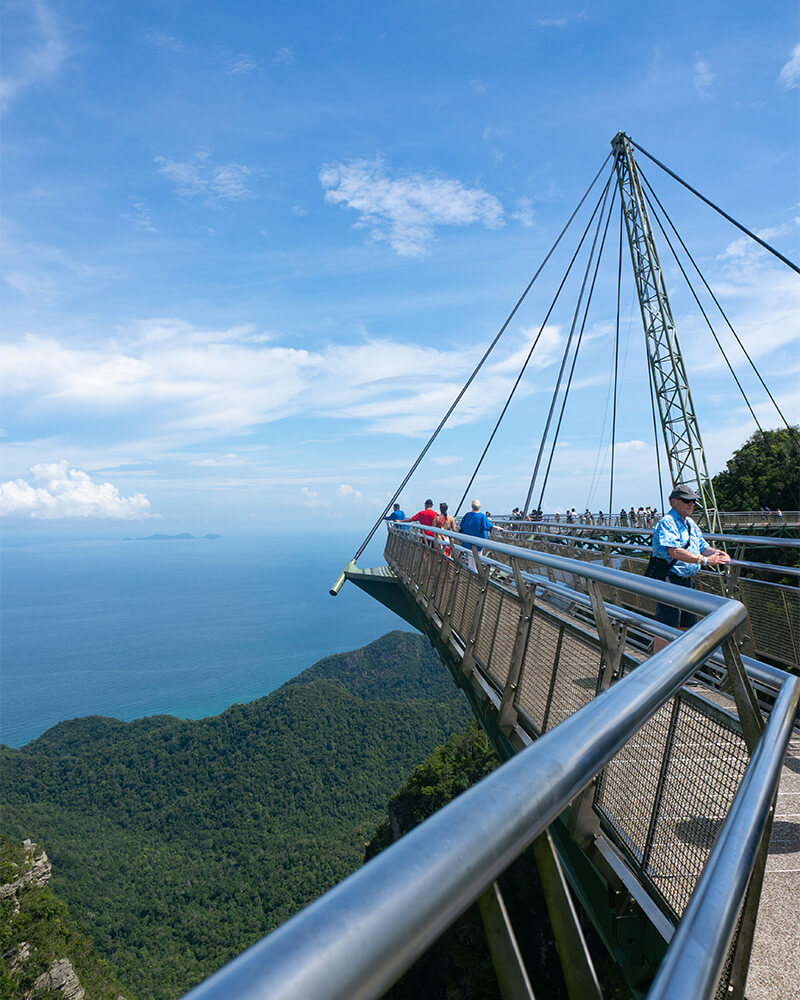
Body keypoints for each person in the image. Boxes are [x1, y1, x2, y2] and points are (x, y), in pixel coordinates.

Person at [650, 484, 731, 653]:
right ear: (673, 502)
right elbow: (674, 551)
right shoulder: (668, 522)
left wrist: (718, 553)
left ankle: (677, 668)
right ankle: (658, 669)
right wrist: (705, 560)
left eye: (693, 501)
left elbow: (702, 546)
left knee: (686, 626)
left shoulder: (691, 523)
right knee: (666, 628)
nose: (691, 504)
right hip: (669, 579)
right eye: (686, 500)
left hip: (686, 582)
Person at [459, 499, 496, 571]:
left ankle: (472, 574)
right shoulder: (482, 516)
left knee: (471, 560)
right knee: (478, 560)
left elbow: (462, 525)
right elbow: (488, 526)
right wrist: (498, 528)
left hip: (468, 542)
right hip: (479, 542)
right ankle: (475, 575)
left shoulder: (467, 515)